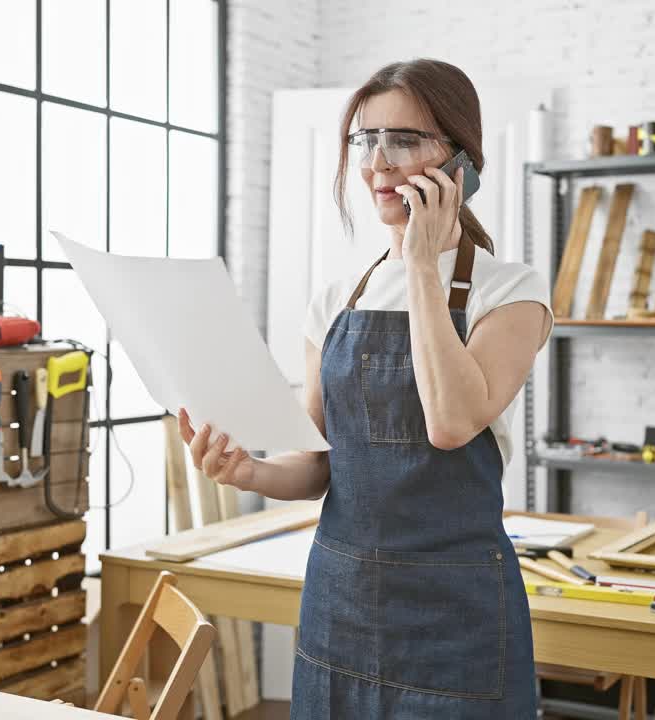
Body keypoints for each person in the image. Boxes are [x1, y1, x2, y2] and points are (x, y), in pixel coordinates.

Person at [178, 58, 553, 719]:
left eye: (403, 140)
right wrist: (249, 472)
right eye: (364, 140)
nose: (377, 164)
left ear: (461, 161)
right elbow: (317, 463)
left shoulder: (511, 291)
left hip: (457, 613)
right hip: (340, 602)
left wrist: (422, 268)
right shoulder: (334, 302)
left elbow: (451, 422)